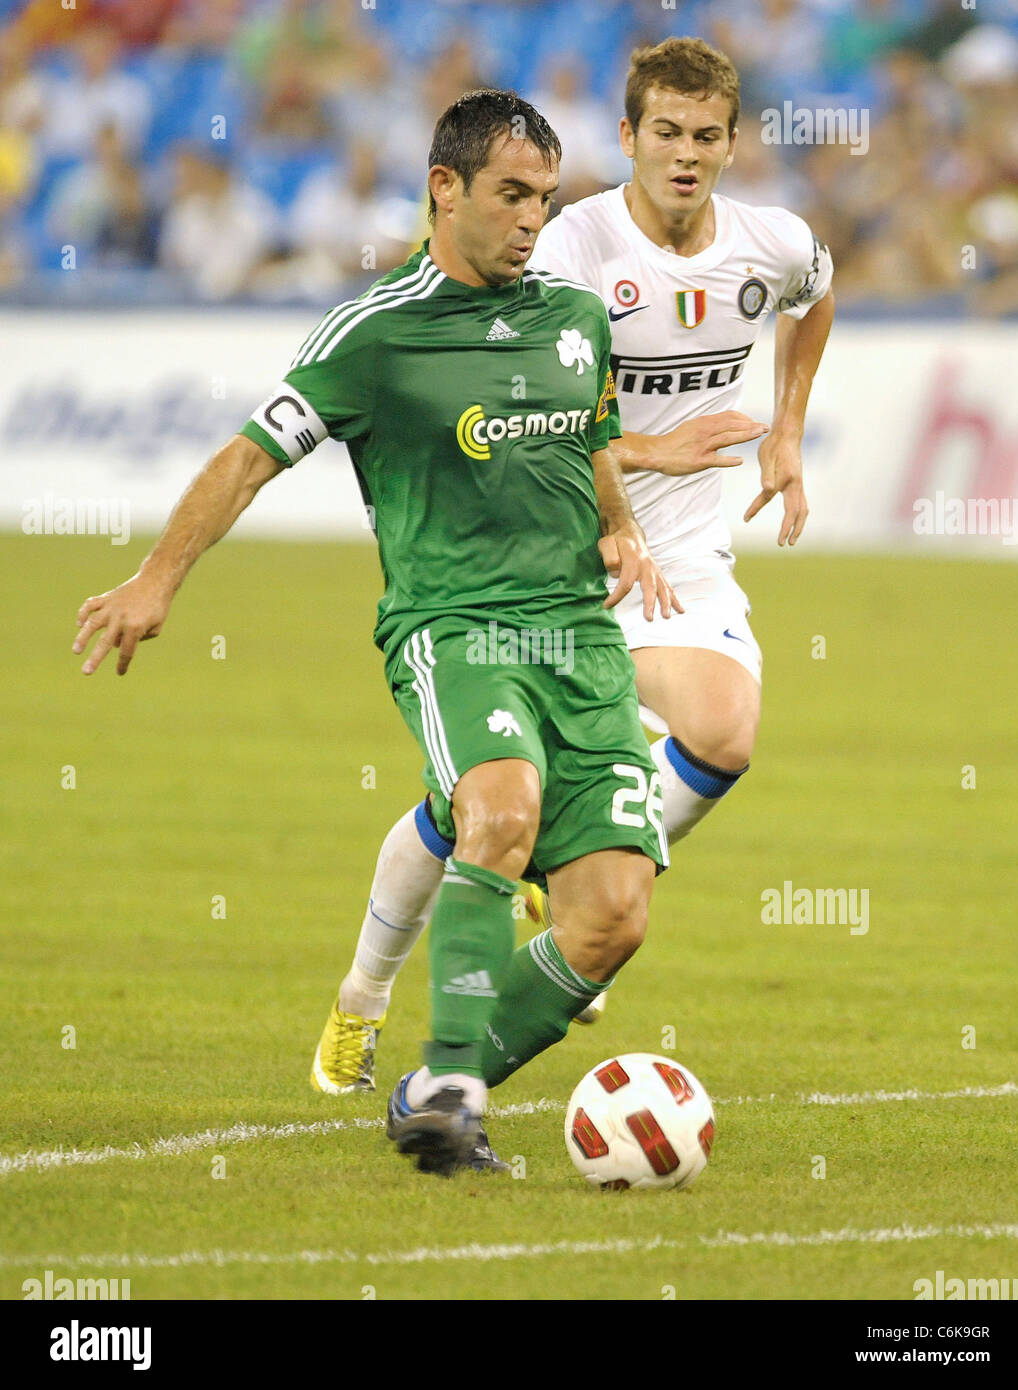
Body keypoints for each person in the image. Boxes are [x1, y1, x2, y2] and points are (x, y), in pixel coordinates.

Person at [73, 89, 678, 1178]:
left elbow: (587, 441)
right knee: (498, 806)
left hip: (577, 642)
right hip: (452, 627)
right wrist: (158, 578)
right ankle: (450, 1087)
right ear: (443, 188)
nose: (531, 219)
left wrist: (623, 528)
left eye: (544, 198)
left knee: (612, 919)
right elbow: (251, 453)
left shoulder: (573, 321)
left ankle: (432, 1086)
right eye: (509, 195)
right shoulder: (375, 332)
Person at [313, 37, 834, 1096]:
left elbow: (813, 294)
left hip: (675, 551)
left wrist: (786, 428)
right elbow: (525, 419)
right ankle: (359, 1006)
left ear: (731, 144)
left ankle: (556, 900)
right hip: (547, 544)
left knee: (724, 730)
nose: (683, 156)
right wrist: (648, 452)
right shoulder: (566, 250)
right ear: (628, 138)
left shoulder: (770, 242)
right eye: (663, 134)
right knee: (476, 805)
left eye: (705, 136)